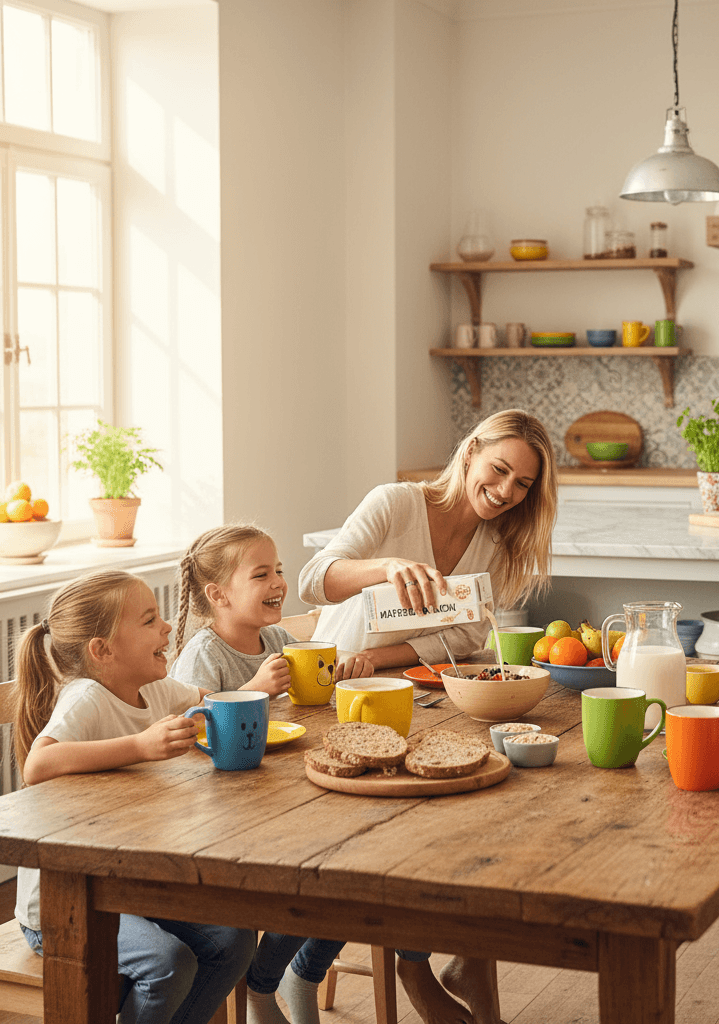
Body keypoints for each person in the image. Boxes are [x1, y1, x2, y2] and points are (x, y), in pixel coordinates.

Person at [298, 408, 558, 1024]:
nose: (505, 493)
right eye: (499, 470)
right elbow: (314, 579)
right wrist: (386, 568)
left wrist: (383, 654)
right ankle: (416, 970)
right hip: (341, 702)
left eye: (523, 485)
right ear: (470, 451)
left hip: (422, 698)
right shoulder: (395, 504)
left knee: (480, 826)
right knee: (420, 840)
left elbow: (467, 636)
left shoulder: (497, 541)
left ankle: (471, 965)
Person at [12, 569, 256, 1024]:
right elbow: (37, 765)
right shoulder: (86, 697)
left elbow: (211, 702)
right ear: (102, 651)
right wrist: (140, 747)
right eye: (149, 621)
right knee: (167, 963)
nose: (166, 628)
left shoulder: (156, 688)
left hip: (126, 883)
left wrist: (248, 693)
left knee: (234, 938)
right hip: (60, 904)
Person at [170, 525, 373, 1024]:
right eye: (261, 573)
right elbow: (187, 733)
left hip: (285, 793)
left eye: (278, 569)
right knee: (324, 878)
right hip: (224, 816)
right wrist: (254, 686)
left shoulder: (279, 639)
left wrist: (342, 671)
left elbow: (305, 709)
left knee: (357, 868)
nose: (278, 581)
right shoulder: (204, 654)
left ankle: (297, 975)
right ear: (217, 594)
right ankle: (262, 986)